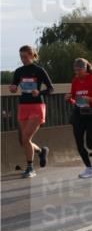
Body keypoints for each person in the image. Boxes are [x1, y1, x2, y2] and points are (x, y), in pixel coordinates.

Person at [9, 45, 54, 178]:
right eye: (21, 57)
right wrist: (12, 88)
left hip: (36, 106)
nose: (23, 59)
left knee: (26, 138)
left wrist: (39, 92)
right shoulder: (18, 71)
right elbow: (14, 86)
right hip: (23, 106)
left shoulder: (39, 70)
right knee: (24, 141)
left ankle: (30, 168)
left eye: (25, 56)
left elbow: (51, 89)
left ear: (32, 56)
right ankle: (41, 151)